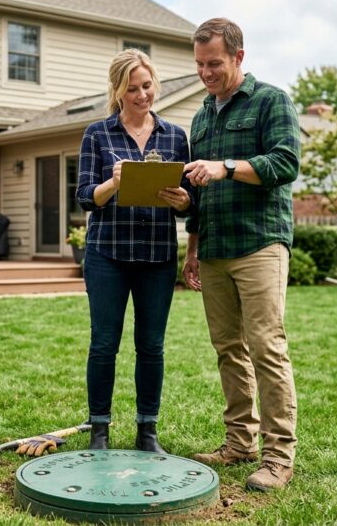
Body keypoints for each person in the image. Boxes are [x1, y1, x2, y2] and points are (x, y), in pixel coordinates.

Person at [181, 18, 301, 491]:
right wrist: (191, 248)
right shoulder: (201, 116)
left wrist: (227, 167)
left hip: (260, 243)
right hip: (213, 246)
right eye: (199, 65)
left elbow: (286, 162)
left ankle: (278, 457)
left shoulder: (272, 100)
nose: (206, 73)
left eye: (214, 63)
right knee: (228, 349)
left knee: (266, 347)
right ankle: (239, 442)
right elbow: (196, 188)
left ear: (238, 57)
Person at [76, 49, 193, 453]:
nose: (143, 95)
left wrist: (181, 200)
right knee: (104, 343)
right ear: (118, 91)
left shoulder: (176, 137)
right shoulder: (98, 134)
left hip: (158, 256)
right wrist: (114, 183)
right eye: (133, 89)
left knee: (152, 345)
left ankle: (147, 432)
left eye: (147, 86)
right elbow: (85, 197)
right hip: (107, 253)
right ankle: (99, 431)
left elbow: (188, 200)